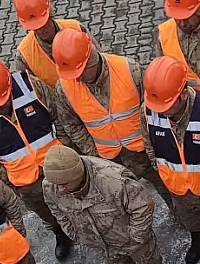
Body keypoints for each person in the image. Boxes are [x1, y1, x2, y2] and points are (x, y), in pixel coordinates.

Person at [0, 56, 74, 261]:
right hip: (24, 181)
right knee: (44, 210)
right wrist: (6, 178)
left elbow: (60, 115)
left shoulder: (31, 85)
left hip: (60, 163)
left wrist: (65, 149)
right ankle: (60, 233)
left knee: (77, 197)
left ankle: (84, 227)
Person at [52, 28, 175, 209]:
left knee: (169, 190)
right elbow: (71, 125)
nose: (76, 79)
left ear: (91, 60)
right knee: (119, 205)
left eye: (79, 72)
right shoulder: (64, 88)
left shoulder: (130, 70)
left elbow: (154, 111)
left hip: (145, 153)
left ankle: (181, 219)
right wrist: (93, 154)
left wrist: (155, 147)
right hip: (108, 160)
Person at [41, 146, 171, 264]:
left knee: (150, 262)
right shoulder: (51, 185)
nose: (59, 189)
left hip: (130, 237)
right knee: (116, 261)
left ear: (78, 175)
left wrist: (136, 236)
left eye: (65, 184)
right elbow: (56, 209)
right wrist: (74, 233)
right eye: (57, 184)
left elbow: (143, 206)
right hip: (98, 241)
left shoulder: (114, 180)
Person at [140, 56, 200, 264]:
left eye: (167, 106)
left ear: (182, 95)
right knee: (189, 219)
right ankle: (199, 239)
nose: (161, 112)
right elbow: (149, 144)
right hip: (177, 188)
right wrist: (164, 172)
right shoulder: (148, 109)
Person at [11, 0, 94, 86]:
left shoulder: (77, 29)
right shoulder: (24, 56)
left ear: (50, 13)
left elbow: (101, 63)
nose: (41, 30)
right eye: (36, 27)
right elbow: (31, 95)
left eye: (44, 23)